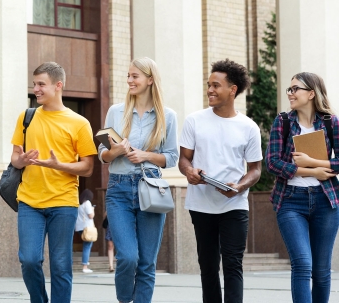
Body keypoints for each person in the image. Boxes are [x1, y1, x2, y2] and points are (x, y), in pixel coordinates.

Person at [10, 62, 97, 303]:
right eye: (34, 84)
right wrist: (23, 160)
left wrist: (58, 165)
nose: (35, 89)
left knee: (60, 266)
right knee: (28, 260)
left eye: (41, 84)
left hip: (63, 203)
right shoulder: (26, 117)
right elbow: (15, 160)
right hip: (29, 201)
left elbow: (88, 168)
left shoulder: (79, 123)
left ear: (58, 86)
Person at [178, 59, 262, 303]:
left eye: (216, 85)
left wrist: (240, 186)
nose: (210, 90)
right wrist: (189, 172)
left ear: (232, 89)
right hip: (201, 204)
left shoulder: (249, 127)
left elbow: (256, 170)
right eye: (208, 85)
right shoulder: (194, 120)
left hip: (234, 204)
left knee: (233, 264)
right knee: (207, 265)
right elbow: (184, 159)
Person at [98, 57, 179, 302]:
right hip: (119, 189)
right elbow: (103, 155)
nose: (129, 81)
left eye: (135, 76)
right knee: (127, 257)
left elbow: (172, 158)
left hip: (151, 188)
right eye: (129, 76)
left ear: (150, 80)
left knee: (146, 262)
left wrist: (146, 155)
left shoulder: (168, 116)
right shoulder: (115, 112)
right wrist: (117, 151)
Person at [266, 72, 339, 303]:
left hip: (325, 200)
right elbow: (272, 162)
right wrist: (311, 172)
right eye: (289, 89)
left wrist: (314, 163)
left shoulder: (330, 122)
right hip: (290, 200)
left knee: (321, 269)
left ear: (311, 93)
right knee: (302, 264)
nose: (290, 93)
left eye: (295, 89)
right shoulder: (283, 122)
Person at [75, 189, 95, 273]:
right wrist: (93, 209)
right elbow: (91, 216)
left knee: (87, 245)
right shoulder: (88, 203)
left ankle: (85, 262)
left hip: (80, 227)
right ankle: (85, 266)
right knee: (87, 246)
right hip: (87, 227)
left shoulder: (80, 205)